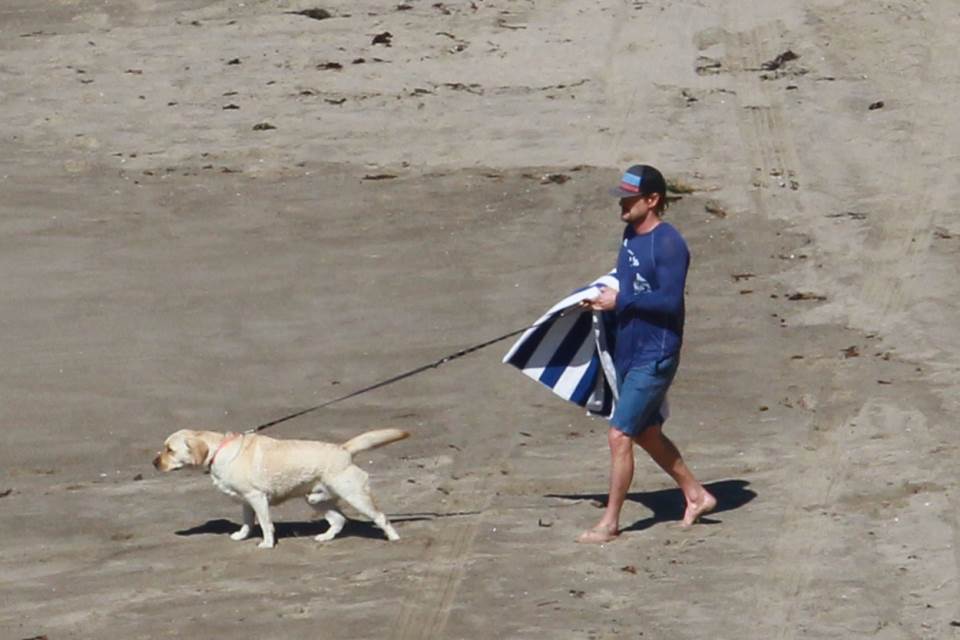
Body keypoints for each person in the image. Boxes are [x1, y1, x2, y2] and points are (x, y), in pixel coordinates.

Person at [576, 164, 716, 544]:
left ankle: (610, 523)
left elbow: (670, 301)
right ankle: (696, 495)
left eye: (630, 198)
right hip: (627, 349)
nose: (622, 204)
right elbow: (627, 281)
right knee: (647, 432)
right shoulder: (629, 235)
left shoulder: (669, 244)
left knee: (620, 434)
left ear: (652, 200)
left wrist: (622, 300)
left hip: (655, 354)